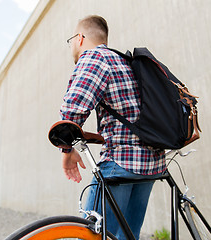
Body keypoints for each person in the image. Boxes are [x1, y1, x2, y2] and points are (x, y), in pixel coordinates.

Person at [59, 15, 167, 239]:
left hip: (121, 162)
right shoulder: (126, 63)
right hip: (151, 164)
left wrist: (67, 151)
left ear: (80, 38)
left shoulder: (95, 58)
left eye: (71, 40)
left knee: (92, 235)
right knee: (127, 236)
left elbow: (72, 110)